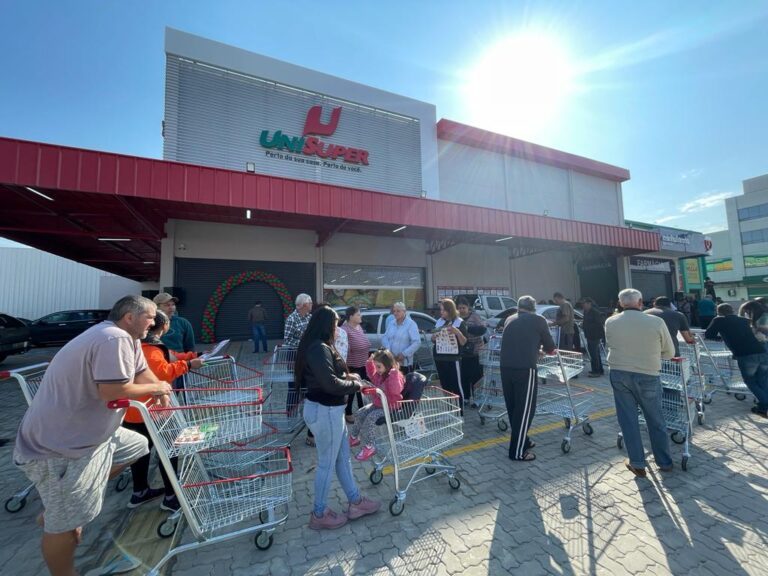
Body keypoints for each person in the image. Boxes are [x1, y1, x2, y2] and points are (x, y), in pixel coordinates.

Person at [13, 295, 173, 576]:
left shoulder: (130, 339)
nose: (155, 322)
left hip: (93, 437)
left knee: (138, 444)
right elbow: (113, 391)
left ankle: (67, 502)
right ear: (130, 317)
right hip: (61, 448)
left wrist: (160, 385)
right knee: (66, 528)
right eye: (150, 316)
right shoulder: (112, 338)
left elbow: (143, 373)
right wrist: (157, 389)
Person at [296, 306, 380, 529]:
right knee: (326, 464)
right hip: (326, 411)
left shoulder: (318, 346)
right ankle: (319, 513)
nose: (337, 329)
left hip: (330, 412)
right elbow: (330, 384)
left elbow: (330, 374)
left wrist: (347, 375)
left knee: (343, 459)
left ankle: (355, 501)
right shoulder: (318, 348)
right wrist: (355, 383)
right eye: (334, 325)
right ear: (326, 325)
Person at [122, 310, 203, 512]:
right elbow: (163, 371)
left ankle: (140, 491)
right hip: (154, 409)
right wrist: (189, 365)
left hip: (134, 409)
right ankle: (171, 496)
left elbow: (170, 357)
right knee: (170, 451)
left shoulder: (136, 344)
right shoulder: (150, 347)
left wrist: (192, 357)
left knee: (141, 451)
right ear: (164, 326)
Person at [605, 288, 676, 478]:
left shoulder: (610, 321)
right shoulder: (656, 321)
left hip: (619, 373)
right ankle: (664, 462)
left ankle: (637, 463)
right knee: (655, 419)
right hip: (648, 375)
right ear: (640, 302)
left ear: (621, 303)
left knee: (628, 420)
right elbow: (669, 352)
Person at [499, 295, 556, 462]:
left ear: (519, 307)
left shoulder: (509, 318)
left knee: (514, 408)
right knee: (525, 410)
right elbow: (550, 347)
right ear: (533, 307)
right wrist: (545, 350)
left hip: (505, 367)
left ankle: (524, 440)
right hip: (524, 368)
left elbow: (519, 340)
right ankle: (517, 452)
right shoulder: (539, 319)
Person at [705, 303, 768, 417]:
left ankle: (764, 406)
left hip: (746, 355)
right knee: (762, 380)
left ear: (719, 312)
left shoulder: (719, 320)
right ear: (732, 311)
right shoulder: (744, 320)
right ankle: (763, 403)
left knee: (751, 381)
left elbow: (709, 334)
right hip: (761, 352)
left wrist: (720, 338)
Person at [349, 349, 405, 461]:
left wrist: (394, 373)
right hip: (379, 404)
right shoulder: (380, 374)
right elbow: (371, 374)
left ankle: (370, 446)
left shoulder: (395, 376)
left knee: (370, 418)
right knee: (360, 413)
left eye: (378, 366)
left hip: (390, 407)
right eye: (376, 366)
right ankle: (354, 437)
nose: (377, 369)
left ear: (388, 365)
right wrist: (370, 363)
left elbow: (395, 391)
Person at [432, 299, 469, 410]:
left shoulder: (459, 322)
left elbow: (463, 342)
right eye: (441, 310)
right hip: (440, 357)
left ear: (450, 310)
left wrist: (457, 332)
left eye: (443, 310)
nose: (441, 312)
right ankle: (449, 411)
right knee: (445, 387)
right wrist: (434, 337)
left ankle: (460, 412)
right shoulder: (439, 321)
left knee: (456, 386)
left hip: (453, 359)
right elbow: (434, 339)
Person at [456, 297, 486, 403]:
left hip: (475, 351)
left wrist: (467, 329)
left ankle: (477, 398)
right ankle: (467, 398)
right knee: (464, 375)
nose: (461, 310)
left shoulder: (475, 317)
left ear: (468, 307)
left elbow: (482, 329)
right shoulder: (456, 318)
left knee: (476, 376)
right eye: (459, 308)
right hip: (462, 352)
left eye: (463, 308)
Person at [341, 306, 367, 424]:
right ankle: (348, 412)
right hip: (352, 365)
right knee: (352, 390)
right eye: (358, 315)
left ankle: (362, 411)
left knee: (361, 388)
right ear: (351, 317)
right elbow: (343, 349)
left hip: (362, 363)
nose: (360, 316)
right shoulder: (344, 329)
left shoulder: (359, 327)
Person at [382, 302, 421, 374]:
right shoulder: (391, 323)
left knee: (404, 383)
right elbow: (385, 338)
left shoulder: (411, 324)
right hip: (391, 361)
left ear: (404, 312)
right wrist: (389, 351)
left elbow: (417, 342)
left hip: (404, 362)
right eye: (394, 311)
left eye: (398, 311)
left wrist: (404, 354)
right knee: (392, 383)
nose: (395, 313)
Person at [581, 298, 605, 377]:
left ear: (589, 304)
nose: (583, 305)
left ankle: (597, 371)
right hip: (589, 335)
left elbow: (599, 324)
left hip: (595, 335)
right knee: (594, 353)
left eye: (584, 304)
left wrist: (587, 326)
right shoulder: (586, 311)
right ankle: (598, 370)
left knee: (594, 353)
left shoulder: (595, 312)